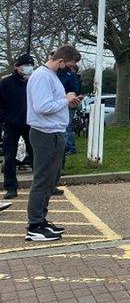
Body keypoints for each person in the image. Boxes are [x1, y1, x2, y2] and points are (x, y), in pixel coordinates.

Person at [25, 45, 82, 242]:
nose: (70, 70)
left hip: (54, 132)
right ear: (61, 61)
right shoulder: (42, 76)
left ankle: (41, 220)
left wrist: (67, 99)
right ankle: (34, 225)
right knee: (42, 180)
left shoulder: (50, 76)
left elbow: (52, 102)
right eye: (70, 66)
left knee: (51, 178)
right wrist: (65, 101)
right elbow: (42, 107)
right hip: (44, 133)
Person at [1, 55, 35, 199]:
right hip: (11, 124)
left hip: (30, 123)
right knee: (9, 156)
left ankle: (43, 185)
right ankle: (11, 187)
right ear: (16, 66)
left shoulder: (33, 81)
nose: (28, 67)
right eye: (25, 65)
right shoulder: (6, 83)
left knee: (36, 155)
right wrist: (4, 119)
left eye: (30, 64)